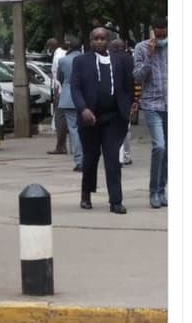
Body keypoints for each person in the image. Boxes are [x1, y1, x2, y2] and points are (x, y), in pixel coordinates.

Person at [71, 26, 135, 214]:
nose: (99, 41)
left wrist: (130, 103)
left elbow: (128, 85)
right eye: (95, 38)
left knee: (113, 159)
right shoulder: (81, 61)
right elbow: (75, 88)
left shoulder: (120, 60)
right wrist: (83, 109)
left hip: (114, 118)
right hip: (90, 118)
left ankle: (116, 200)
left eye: (102, 38)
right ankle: (86, 194)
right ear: (90, 41)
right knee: (90, 158)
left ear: (108, 40)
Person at [133, 17, 168, 209]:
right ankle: (154, 191)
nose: (161, 33)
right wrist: (150, 56)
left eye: (164, 29)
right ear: (153, 30)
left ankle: (162, 190)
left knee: (170, 152)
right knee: (160, 147)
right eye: (158, 30)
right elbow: (138, 76)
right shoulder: (142, 48)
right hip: (152, 105)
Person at [56, 35, 83, 170]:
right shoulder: (86, 59)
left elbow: (59, 78)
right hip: (85, 98)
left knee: (74, 129)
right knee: (85, 130)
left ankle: (79, 160)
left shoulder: (63, 61)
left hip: (68, 97)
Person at [108, 38, 134, 165]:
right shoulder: (129, 59)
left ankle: (117, 155)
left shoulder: (109, 59)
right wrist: (134, 99)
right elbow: (132, 81)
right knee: (125, 128)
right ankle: (125, 156)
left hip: (112, 97)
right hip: (126, 98)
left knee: (113, 128)